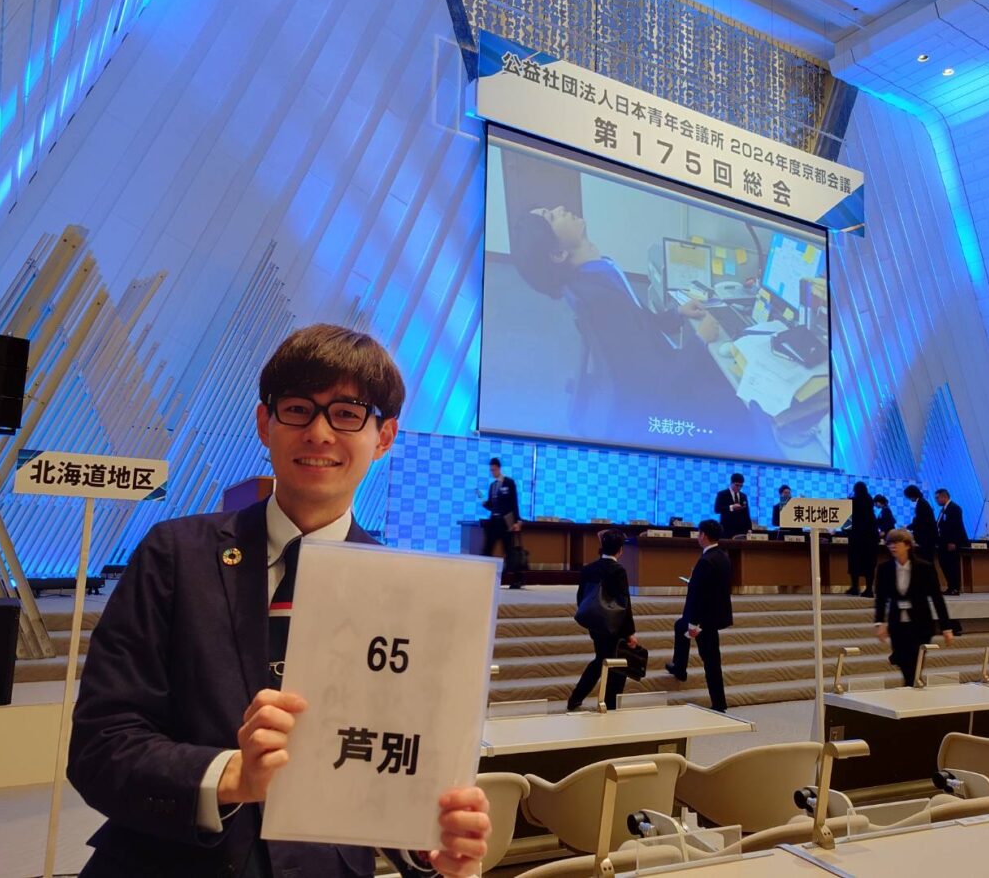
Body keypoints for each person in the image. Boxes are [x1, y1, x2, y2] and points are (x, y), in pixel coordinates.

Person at [68, 325, 490, 878]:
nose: (319, 433)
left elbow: (394, 764)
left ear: (384, 437)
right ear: (265, 423)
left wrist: (429, 845)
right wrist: (231, 776)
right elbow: (101, 744)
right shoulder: (174, 555)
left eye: (347, 414)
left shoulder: (410, 593)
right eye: (297, 410)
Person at [510, 206, 765, 444]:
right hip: (664, 399)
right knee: (742, 396)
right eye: (552, 216)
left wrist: (677, 313)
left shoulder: (596, 274)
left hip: (658, 372)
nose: (561, 209)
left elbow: (637, 324)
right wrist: (700, 340)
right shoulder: (599, 299)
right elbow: (658, 387)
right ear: (558, 254)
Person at [664, 519, 733, 712]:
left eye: (699, 533)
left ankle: (719, 703)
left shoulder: (705, 561)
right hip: (715, 615)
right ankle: (679, 667)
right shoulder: (723, 557)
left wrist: (694, 623)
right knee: (680, 627)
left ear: (704, 535)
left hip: (703, 619)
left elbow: (698, 595)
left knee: (710, 661)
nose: (698, 536)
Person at [874, 528, 954, 687]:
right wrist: (879, 623)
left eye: (897, 543)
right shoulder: (884, 569)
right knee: (903, 662)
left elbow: (937, 598)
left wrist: (946, 627)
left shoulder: (924, 568)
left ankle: (911, 687)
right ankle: (912, 686)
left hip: (920, 624)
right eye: (889, 543)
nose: (892, 546)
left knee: (915, 661)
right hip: (897, 624)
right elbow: (881, 599)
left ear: (907, 545)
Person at [567, 529, 637, 712]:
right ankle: (609, 703)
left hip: (595, 623)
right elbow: (624, 603)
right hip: (615, 625)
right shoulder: (618, 570)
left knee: (601, 659)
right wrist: (630, 632)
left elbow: (581, 597)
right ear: (620, 550)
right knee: (616, 664)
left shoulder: (588, 569)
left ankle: (577, 697)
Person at [480, 457, 523, 589]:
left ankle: (517, 579)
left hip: (506, 523)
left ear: (499, 468)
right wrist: (484, 503)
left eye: (494, 470)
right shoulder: (492, 486)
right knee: (487, 549)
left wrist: (517, 520)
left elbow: (514, 502)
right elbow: (492, 505)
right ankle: (483, 576)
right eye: (491, 470)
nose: (492, 472)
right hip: (494, 522)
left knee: (509, 551)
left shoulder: (509, 483)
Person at [846, 482, 879, 598]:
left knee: (854, 563)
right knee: (869, 565)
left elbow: (847, 522)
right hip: (870, 540)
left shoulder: (853, 502)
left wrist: (845, 531)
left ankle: (855, 587)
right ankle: (869, 589)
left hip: (856, 539)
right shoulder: (870, 502)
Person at [934, 488, 967, 595]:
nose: (936, 500)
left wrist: (953, 542)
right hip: (943, 542)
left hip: (951, 542)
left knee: (952, 565)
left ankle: (955, 588)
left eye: (937, 498)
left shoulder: (954, 508)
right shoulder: (943, 509)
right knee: (944, 563)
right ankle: (950, 586)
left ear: (944, 496)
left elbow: (956, 526)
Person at [904, 484, 938, 565]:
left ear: (912, 494)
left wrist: (907, 527)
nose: (909, 499)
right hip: (927, 538)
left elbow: (920, 521)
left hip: (927, 538)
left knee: (927, 562)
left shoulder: (921, 504)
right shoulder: (922, 502)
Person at [713, 473, 752, 538]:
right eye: (737, 485)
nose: (739, 488)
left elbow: (746, 513)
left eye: (741, 486)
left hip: (741, 530)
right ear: (731, 483)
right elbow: (717, 509)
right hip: (726, 529)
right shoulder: (722, 494)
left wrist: (749, 528)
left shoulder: (743, 496)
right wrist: (731, 507)